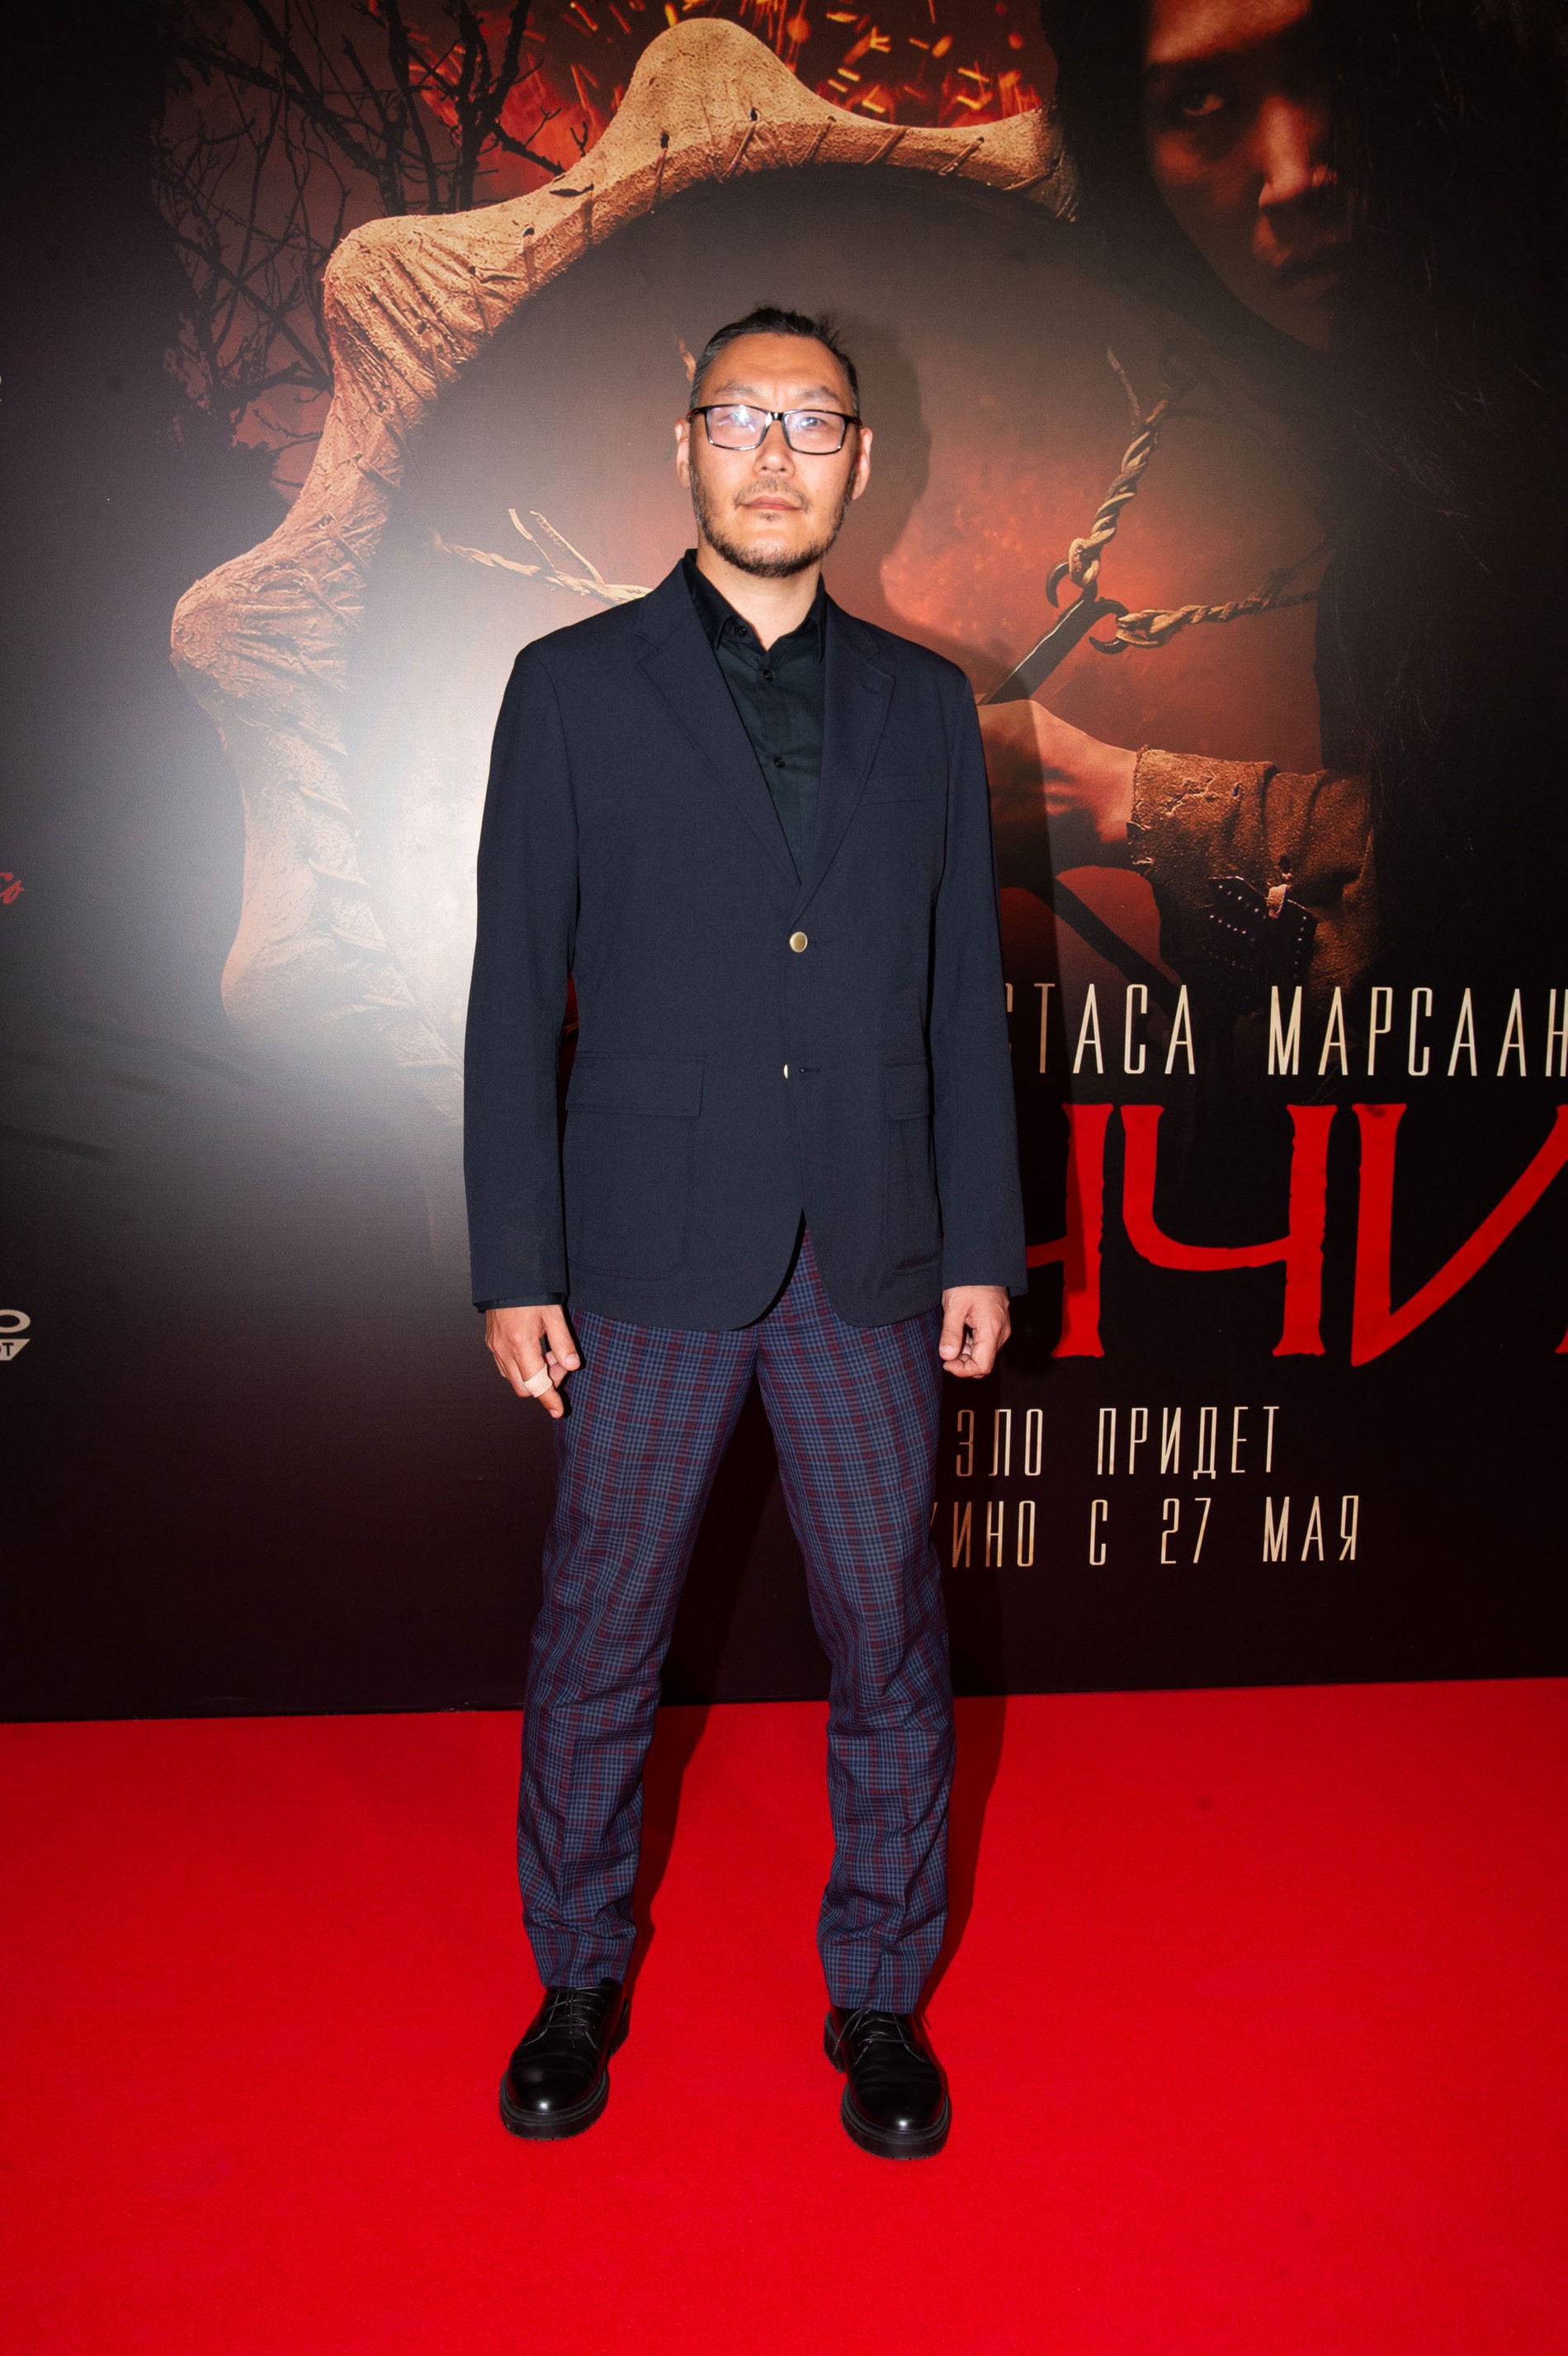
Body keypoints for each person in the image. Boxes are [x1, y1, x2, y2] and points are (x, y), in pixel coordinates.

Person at [463, 305, 1026, 2156]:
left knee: (890, 1635)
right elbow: (509, 992)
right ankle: (575, 1974)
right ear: (685, 442)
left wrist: (979, 1241)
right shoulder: (567, 683)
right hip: (643, 1254)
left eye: (814, 422)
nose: (775, 454)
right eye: (741, 418)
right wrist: (515, 1260)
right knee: (598, 1633)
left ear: (862, 460)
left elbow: (959, 997)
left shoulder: (927, 704)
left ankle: (881, 1993)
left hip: (870, 1252)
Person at [985, 0, 1568, 1008]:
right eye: (1198, 102)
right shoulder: (1384, 475)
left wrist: (1115, 798)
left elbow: (1501, 925)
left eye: (1337, 63)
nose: (1295, 175)